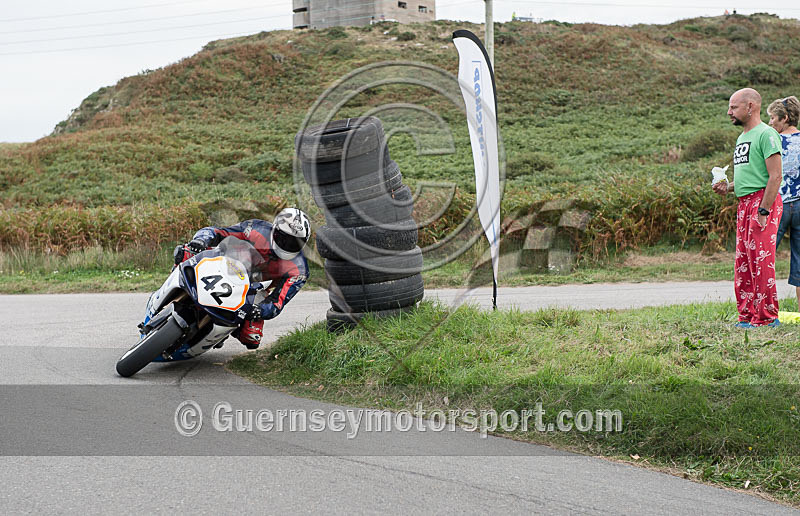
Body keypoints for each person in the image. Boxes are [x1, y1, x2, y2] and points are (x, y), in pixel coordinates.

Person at [177, 208, 311, 348]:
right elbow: (219, 232)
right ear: (274, 230)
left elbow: (278, 302)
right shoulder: (256, 229)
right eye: (283, 238)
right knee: (185, 252)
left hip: (254, 289)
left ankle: (223, 331)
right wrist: (201, 240)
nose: (287, 245)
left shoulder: (299, 270)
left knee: (252, 338)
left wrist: (261, 310)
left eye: (295, 242)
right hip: (226, 266)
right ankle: (174, 284)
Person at [712, 88, 783, 328]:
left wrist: (763, 211)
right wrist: (728, 187)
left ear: (750, 106)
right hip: (744, 203)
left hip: (763, 202)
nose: (729, 112)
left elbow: (775, 177)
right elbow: (749, 178)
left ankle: (766, 317)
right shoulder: (742, 138)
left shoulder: (767, 134)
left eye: (733, 107)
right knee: (744, 261)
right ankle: (747, 316)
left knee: (761, 261)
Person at [767, 96, 800, 309]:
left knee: (765, 257)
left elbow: (766, 174)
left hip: (777, 203)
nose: (770, 123)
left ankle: (764, 310)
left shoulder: (773, 141)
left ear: (784, 118)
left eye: (772, 118)